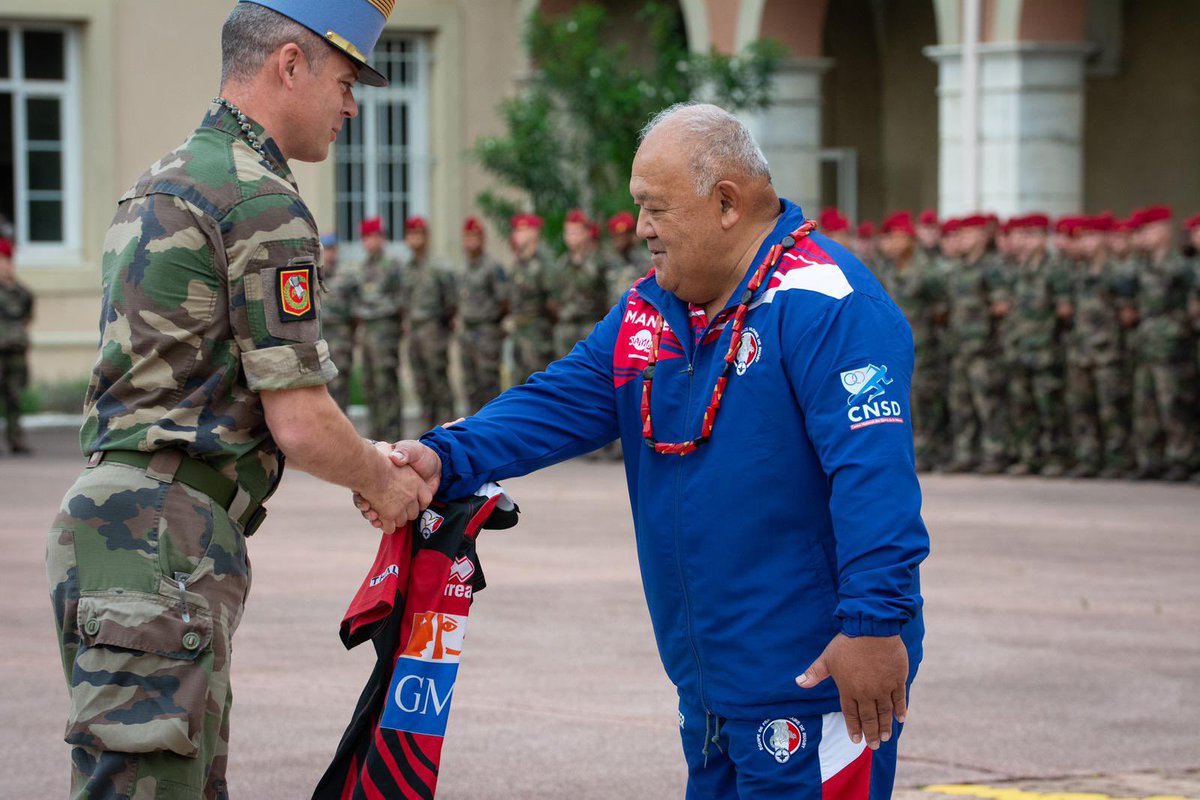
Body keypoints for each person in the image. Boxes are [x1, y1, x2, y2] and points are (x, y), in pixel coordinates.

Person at [364, 103, 927, 798]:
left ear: (726, 202)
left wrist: (873, 626)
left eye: (654, 208)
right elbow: (556, 402)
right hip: (713, 692)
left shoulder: (829, 304)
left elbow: (875, 481)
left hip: (817, 687)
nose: (641, 229)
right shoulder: (650, 310)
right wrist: (442, 456)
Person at [44, 3, 432, 797]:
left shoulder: (158, 179)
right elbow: (300, 419)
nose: (353, 104)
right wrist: (384, 482)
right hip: (164, 538)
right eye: (345, 78)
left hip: (115, 527)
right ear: (290, 64)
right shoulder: (261, 201)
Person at [1127, 205, 1198, 481]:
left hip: (1172, 344)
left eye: (1147, 230)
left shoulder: (1180, 267)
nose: (1142, 236)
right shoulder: (1142, 266)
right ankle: (1151, 459)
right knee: (1145, 404)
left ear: (1164, 231)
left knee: (1174, 404)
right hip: (1146, 342)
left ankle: (1182, 458)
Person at [1002, 213, 1071, 477]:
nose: (1026, 242)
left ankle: (1054, 456)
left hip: (1045, 350)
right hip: (1019, 349)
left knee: (1048, 407)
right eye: (1024, 235)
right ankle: (1028, 455)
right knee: (1022, 405)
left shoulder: (1055, 270)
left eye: (1033, 236)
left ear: (1045, 238)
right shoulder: (1017, 269)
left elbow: (1064, 312)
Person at [877, 211, 948, 472]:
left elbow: (942, 308)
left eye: (895, 238)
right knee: (903, 398)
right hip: (893, 346)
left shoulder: (928, 270)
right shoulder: (884, 268)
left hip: (924, 344)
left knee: (925, 397)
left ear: (909, 238)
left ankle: (931, 449)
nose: (890, 244)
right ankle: (912, 449)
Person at [944, 214, 1012, 473]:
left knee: (988, 403)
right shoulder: (959, 268)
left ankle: (994, 453)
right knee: (960, 402)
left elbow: (1001, 306)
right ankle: (964, 453)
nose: (963, 239)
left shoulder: (991, 267)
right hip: (960, 346)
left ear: (983, 236)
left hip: (984, 347)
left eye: (969, 233)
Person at [352, 215, 406, 439]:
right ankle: (375, 435)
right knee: (370, 384)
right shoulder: (361, 268)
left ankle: (392, 435)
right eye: (366, 237)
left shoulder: (392, 265)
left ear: (382, 238)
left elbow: (401, 298)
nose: (370, 242)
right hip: (368, 332)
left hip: (386, 331)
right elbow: (356, 299)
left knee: (387, 384)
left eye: (374, 236)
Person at [402, 215, 457, 429]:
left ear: (426, 237)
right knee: (420, 382)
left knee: (439, 381)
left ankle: (448, 427)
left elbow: (451, 302)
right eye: (410, 235)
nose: (414, 239)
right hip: (413, 331)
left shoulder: (439, 268)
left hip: (433, 330)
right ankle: (427, 426)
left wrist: (441, 328)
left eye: (418, 234)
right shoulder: (406, 269)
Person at [457, 216, 509, 414]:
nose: (470, 241)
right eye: (467, 237)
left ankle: (491, 429)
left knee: (488, 384)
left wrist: (492, 324)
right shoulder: (462, 269)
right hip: (467, 332)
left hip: (487, 331)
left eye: (474, 237)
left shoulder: (492, 267)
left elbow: (504, 302)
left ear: (482, 239)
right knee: (470, 385)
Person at [549, 208, 609, 358]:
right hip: (566, 328)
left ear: (587, 233)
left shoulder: (601, 261)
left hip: (591, 325)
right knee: (564, 374)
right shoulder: (561, 264)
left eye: (575, 232)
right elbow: (554, 299)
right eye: (567, 232)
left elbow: (610, 295)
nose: (570, 237)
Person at [506, 213, 555, 385]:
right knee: (517, 381)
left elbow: (553, 301)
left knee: (537, 380)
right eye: (516, 230)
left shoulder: (544, 261)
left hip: (537, 333)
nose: (516, 235)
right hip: (519, 331)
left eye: (522, 230)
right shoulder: (518, 262)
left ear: (533, 233)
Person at [0, 236, 34, 455]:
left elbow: (27, 319)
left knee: (15, 396)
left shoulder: (23, 292)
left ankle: (16, 439)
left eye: (8, 261)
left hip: (15, 351)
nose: (6, 266)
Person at [319, 232, 359, 412]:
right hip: (319, 340)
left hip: (341, 339)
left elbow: (356, 310)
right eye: (325, 249)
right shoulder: (312, 276)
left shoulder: (347, 278)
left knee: (340, 386)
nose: (328, 254)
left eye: (332, 249)